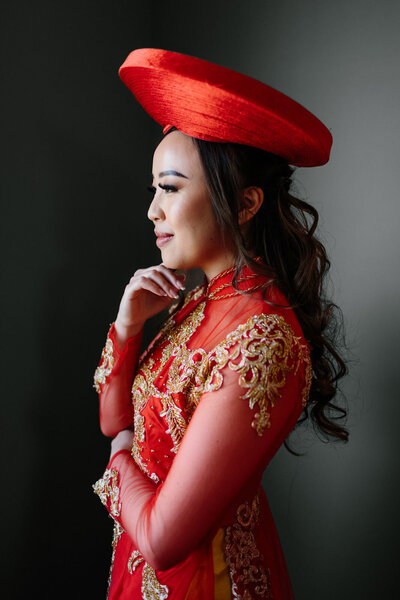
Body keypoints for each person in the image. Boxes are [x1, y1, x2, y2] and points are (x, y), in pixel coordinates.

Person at [92, 48, 348, 599]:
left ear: (245, 203)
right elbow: (115, 418)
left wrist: (117, 461)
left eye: (171, 187)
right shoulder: (197, 303)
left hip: (207, 582)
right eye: (154, 189)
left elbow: (163, 537)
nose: (152, 211)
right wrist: (128, 325)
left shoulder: (262, 336)